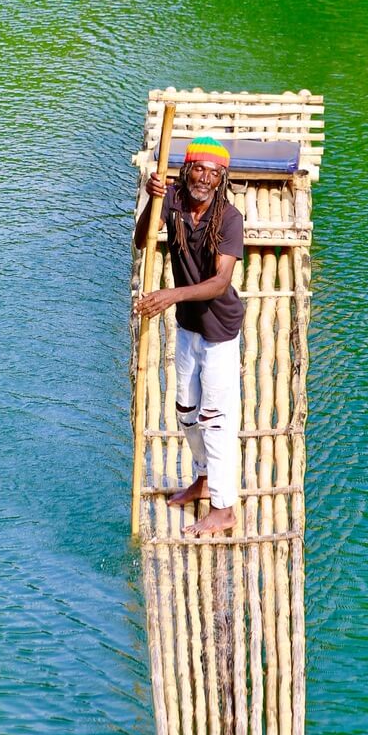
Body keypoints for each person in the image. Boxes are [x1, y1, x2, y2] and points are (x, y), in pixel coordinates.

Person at [134, 136, 244, 537]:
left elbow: (219, 283)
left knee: (215, 421)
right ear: (187, 169)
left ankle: (223, 507)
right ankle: (201, 479)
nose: (205, 178)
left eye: (214, 173)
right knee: (186, 412)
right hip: (188, 327)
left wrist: (170, 294)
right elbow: (141, 239)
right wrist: (152, 200)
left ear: (221, 179)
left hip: (219, 330)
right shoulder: (175, 199)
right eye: (199, 169)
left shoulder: (229, 218)